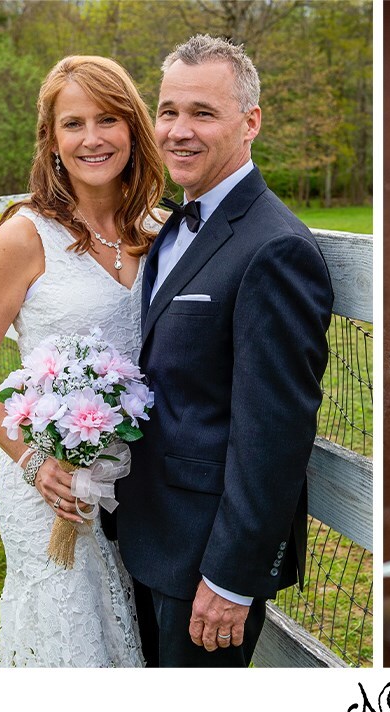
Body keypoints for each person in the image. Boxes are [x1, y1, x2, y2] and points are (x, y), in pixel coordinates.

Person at [116, 34, 333, 667]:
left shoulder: (275, 248)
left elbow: (276, 430)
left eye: (203, 113)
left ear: (250, 122)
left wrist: (233, 577)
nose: (179, 131)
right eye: (168, 111)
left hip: (204, 558)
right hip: (147, 532)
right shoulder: (173, 228)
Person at [0, 55, 165, 667]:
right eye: (73, 123)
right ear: (51, 139)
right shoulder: (24, 236)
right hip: (52, 484)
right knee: (73, 643)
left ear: (134, 129)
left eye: (108, 119)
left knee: (136, 638)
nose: (92, 138)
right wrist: (35, 461)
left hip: (141, 481)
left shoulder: (160, 230)